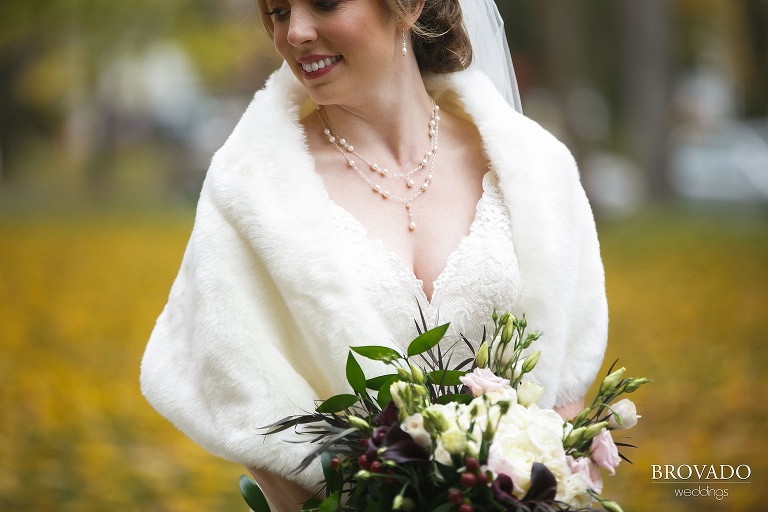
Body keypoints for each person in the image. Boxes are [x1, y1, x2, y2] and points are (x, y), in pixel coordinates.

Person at [140, 0, 608, 510]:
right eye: (277, 11)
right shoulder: (248, 192)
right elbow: (241, 393)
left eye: (323, 3)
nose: (295, 32)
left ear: (405, 7)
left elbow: (564, 389)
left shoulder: (536, 170)